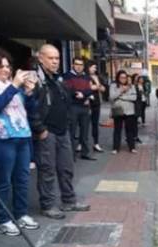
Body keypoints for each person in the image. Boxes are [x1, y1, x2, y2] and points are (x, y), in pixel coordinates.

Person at [0, 46, 39, 235]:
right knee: (2, 181)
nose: (7, 70)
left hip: (21, 136)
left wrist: (29, 93)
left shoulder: (10, 86)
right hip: (2, 140)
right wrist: (14, 86)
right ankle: (3, 219)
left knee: (22, 179)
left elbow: (28, 107)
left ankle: (20, 214)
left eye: (8, 66)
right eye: (1, 66)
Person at [29, 44, 90, 219]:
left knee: (66, 167)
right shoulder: (35, 79)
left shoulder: (57, 79)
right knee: (47, 169)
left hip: (63, 130)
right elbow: (30, 106)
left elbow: (65, 101)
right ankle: (47, 205)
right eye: (51, 58)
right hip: (47, 132)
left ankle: (69, 201)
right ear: (40, 58)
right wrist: (40, 129)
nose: (55, 61)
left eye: (57, 58)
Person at [63, 57, 95, 160]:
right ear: (72, 65)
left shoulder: (86, 77)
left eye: (81, 65)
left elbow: (90, 90)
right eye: (76, 64)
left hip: (84, 106)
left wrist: (84, 95)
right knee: (72, 131)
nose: (79, 66)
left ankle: (85, 153)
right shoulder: (67, 76)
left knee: (85, 131)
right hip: (73, 106)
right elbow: (68, 89)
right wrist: (78, 93)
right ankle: (71, 155)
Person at [109, 70, 138, 154]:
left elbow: (134, 98)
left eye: (125, 77)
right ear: (118, 78)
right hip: (118, 110)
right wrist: (121, 90)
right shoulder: (114, 85)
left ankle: (132, 147)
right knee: (117, 130)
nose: (123, 79)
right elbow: (111, 97)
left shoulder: (131, 86)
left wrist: (122, 97)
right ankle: (115, 148)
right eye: (121, 77)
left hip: (129, 111)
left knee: (130, 130)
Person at [86, 61, 105, 153]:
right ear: (88, 67)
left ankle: (96, 143)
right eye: (93, 67)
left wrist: (96, 85)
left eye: (95, 68)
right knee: (84, 124)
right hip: (87, 103)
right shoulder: (85, 77)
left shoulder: (98, 77)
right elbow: (89, 88)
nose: (95, 69)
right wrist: (97, 86)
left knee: (95, 124)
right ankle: (81, 143)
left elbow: (103, 89)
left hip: (97, 102)